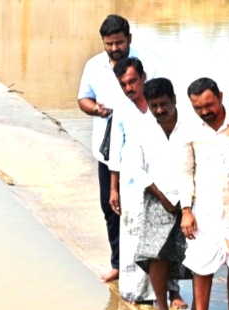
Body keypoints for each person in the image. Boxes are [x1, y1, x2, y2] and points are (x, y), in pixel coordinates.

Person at [77, 14, 162, 283]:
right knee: (111, 206)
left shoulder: (149, 62)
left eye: (119, 42)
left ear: (129, 39)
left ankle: (162, 278)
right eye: (109, 43)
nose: (115, 48)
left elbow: (164, 98)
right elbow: (83, 99)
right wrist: (97, 110)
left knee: (155, 209)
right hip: (109, 149)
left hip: (147, 151)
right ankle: (118, 262)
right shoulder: (93, 66)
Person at [109, 76, 195, 310]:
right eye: (154, 105)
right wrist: (164, 199)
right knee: (156, 253)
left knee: (198, 255)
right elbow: (135, 168)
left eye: (164, 104)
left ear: (174, 100)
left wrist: (187, 202)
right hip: (158, 195)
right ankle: (162, 308)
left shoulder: (191, 125)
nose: (159, 110)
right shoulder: (143, 128)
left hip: (192, 195)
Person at [181, 78, 229, 310]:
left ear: (220, 96)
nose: (205, 111)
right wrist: (186, 210)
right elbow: (185, 171)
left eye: (209, 104)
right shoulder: (189, 128)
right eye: (198, 107)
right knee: (201, 267)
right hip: (204, 210)